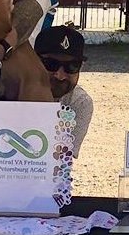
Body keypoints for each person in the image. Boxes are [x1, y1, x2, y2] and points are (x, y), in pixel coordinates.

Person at [34, 24, 93, 157]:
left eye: (71, 66)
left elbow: (62, 160)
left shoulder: (79, 103)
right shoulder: (8, 93)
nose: (60, 75)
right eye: (51, 64)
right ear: (33, 62)